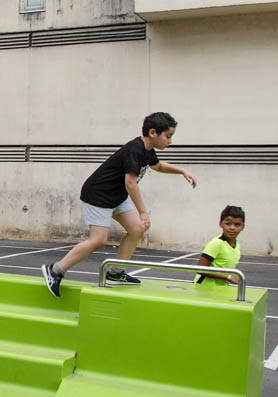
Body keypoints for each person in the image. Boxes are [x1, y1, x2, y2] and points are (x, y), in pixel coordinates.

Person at [42, 112, 198, 297]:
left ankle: (114, 273)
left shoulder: (147, 151)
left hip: (117, 196)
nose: (170, 141)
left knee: (137, 229)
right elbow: (130, 183)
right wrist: (143, 212)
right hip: (99, 195)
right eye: (168, 136)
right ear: (153, 133)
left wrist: (182, 170)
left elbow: (158, 166)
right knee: (98, 240)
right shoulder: (135, 149)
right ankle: (56, 270)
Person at [195, 205, 245, 289]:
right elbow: (200, 269)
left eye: (237, 224)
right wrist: (227, 277)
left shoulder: (237, 246)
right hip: (204, 289)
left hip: (220, 289)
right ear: (220, 224)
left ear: (242, 227)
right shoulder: (216, 243)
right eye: (228, 224)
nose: (232, 228)